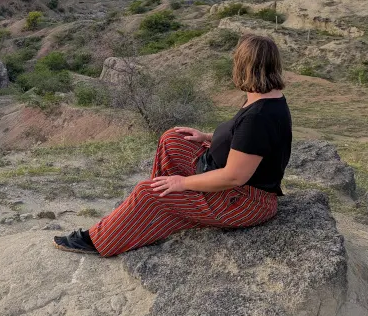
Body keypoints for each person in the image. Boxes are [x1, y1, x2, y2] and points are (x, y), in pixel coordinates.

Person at [54, 33, 292, 257]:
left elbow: (234, 177)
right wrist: (207, 136)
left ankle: (101, 240)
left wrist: (182, 183)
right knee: (173, 139)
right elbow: (247, 141)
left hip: (244, 202)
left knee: (148, 192)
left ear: (244, 66)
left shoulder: (258, 117)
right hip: (228, 182)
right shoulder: (266, 97)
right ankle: (155, 214)